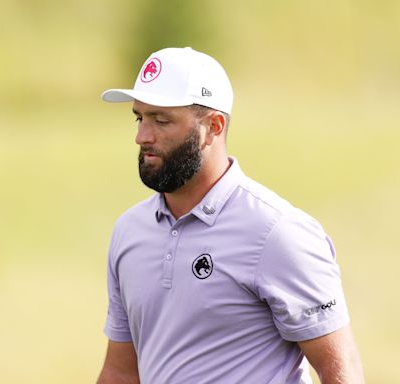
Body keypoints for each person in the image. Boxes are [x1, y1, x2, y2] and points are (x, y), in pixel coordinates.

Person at [97, 47, 364, 383]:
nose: (142, 137)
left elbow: (341, 370)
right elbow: (121, 372)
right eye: (140, 117)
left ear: (213, 126)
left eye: (161, 120)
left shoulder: (277, 232)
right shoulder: (130, 231)